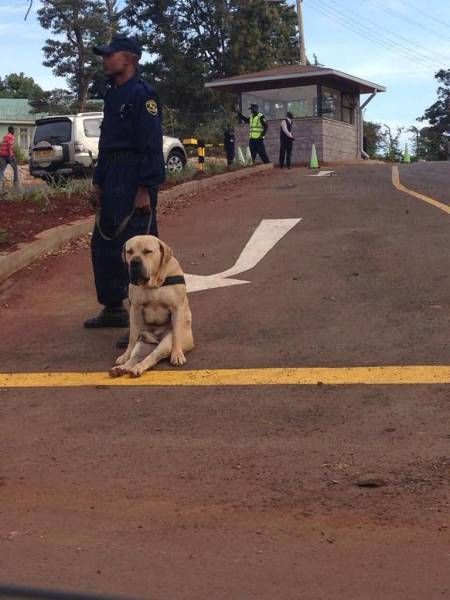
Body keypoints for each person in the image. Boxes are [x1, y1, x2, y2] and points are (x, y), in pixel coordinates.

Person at [84, 34, 165, 341]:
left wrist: (145, 187)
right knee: (103, 245)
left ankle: (148, 321)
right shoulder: (111, 94)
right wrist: (99, 182)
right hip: (112, 171)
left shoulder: (143, 95)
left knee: (141, 250)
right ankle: (113, 308)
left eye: (110, 55)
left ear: (129, 59)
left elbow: (151, 144)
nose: (105, 59)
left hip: (135, 175)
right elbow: (106, 143)